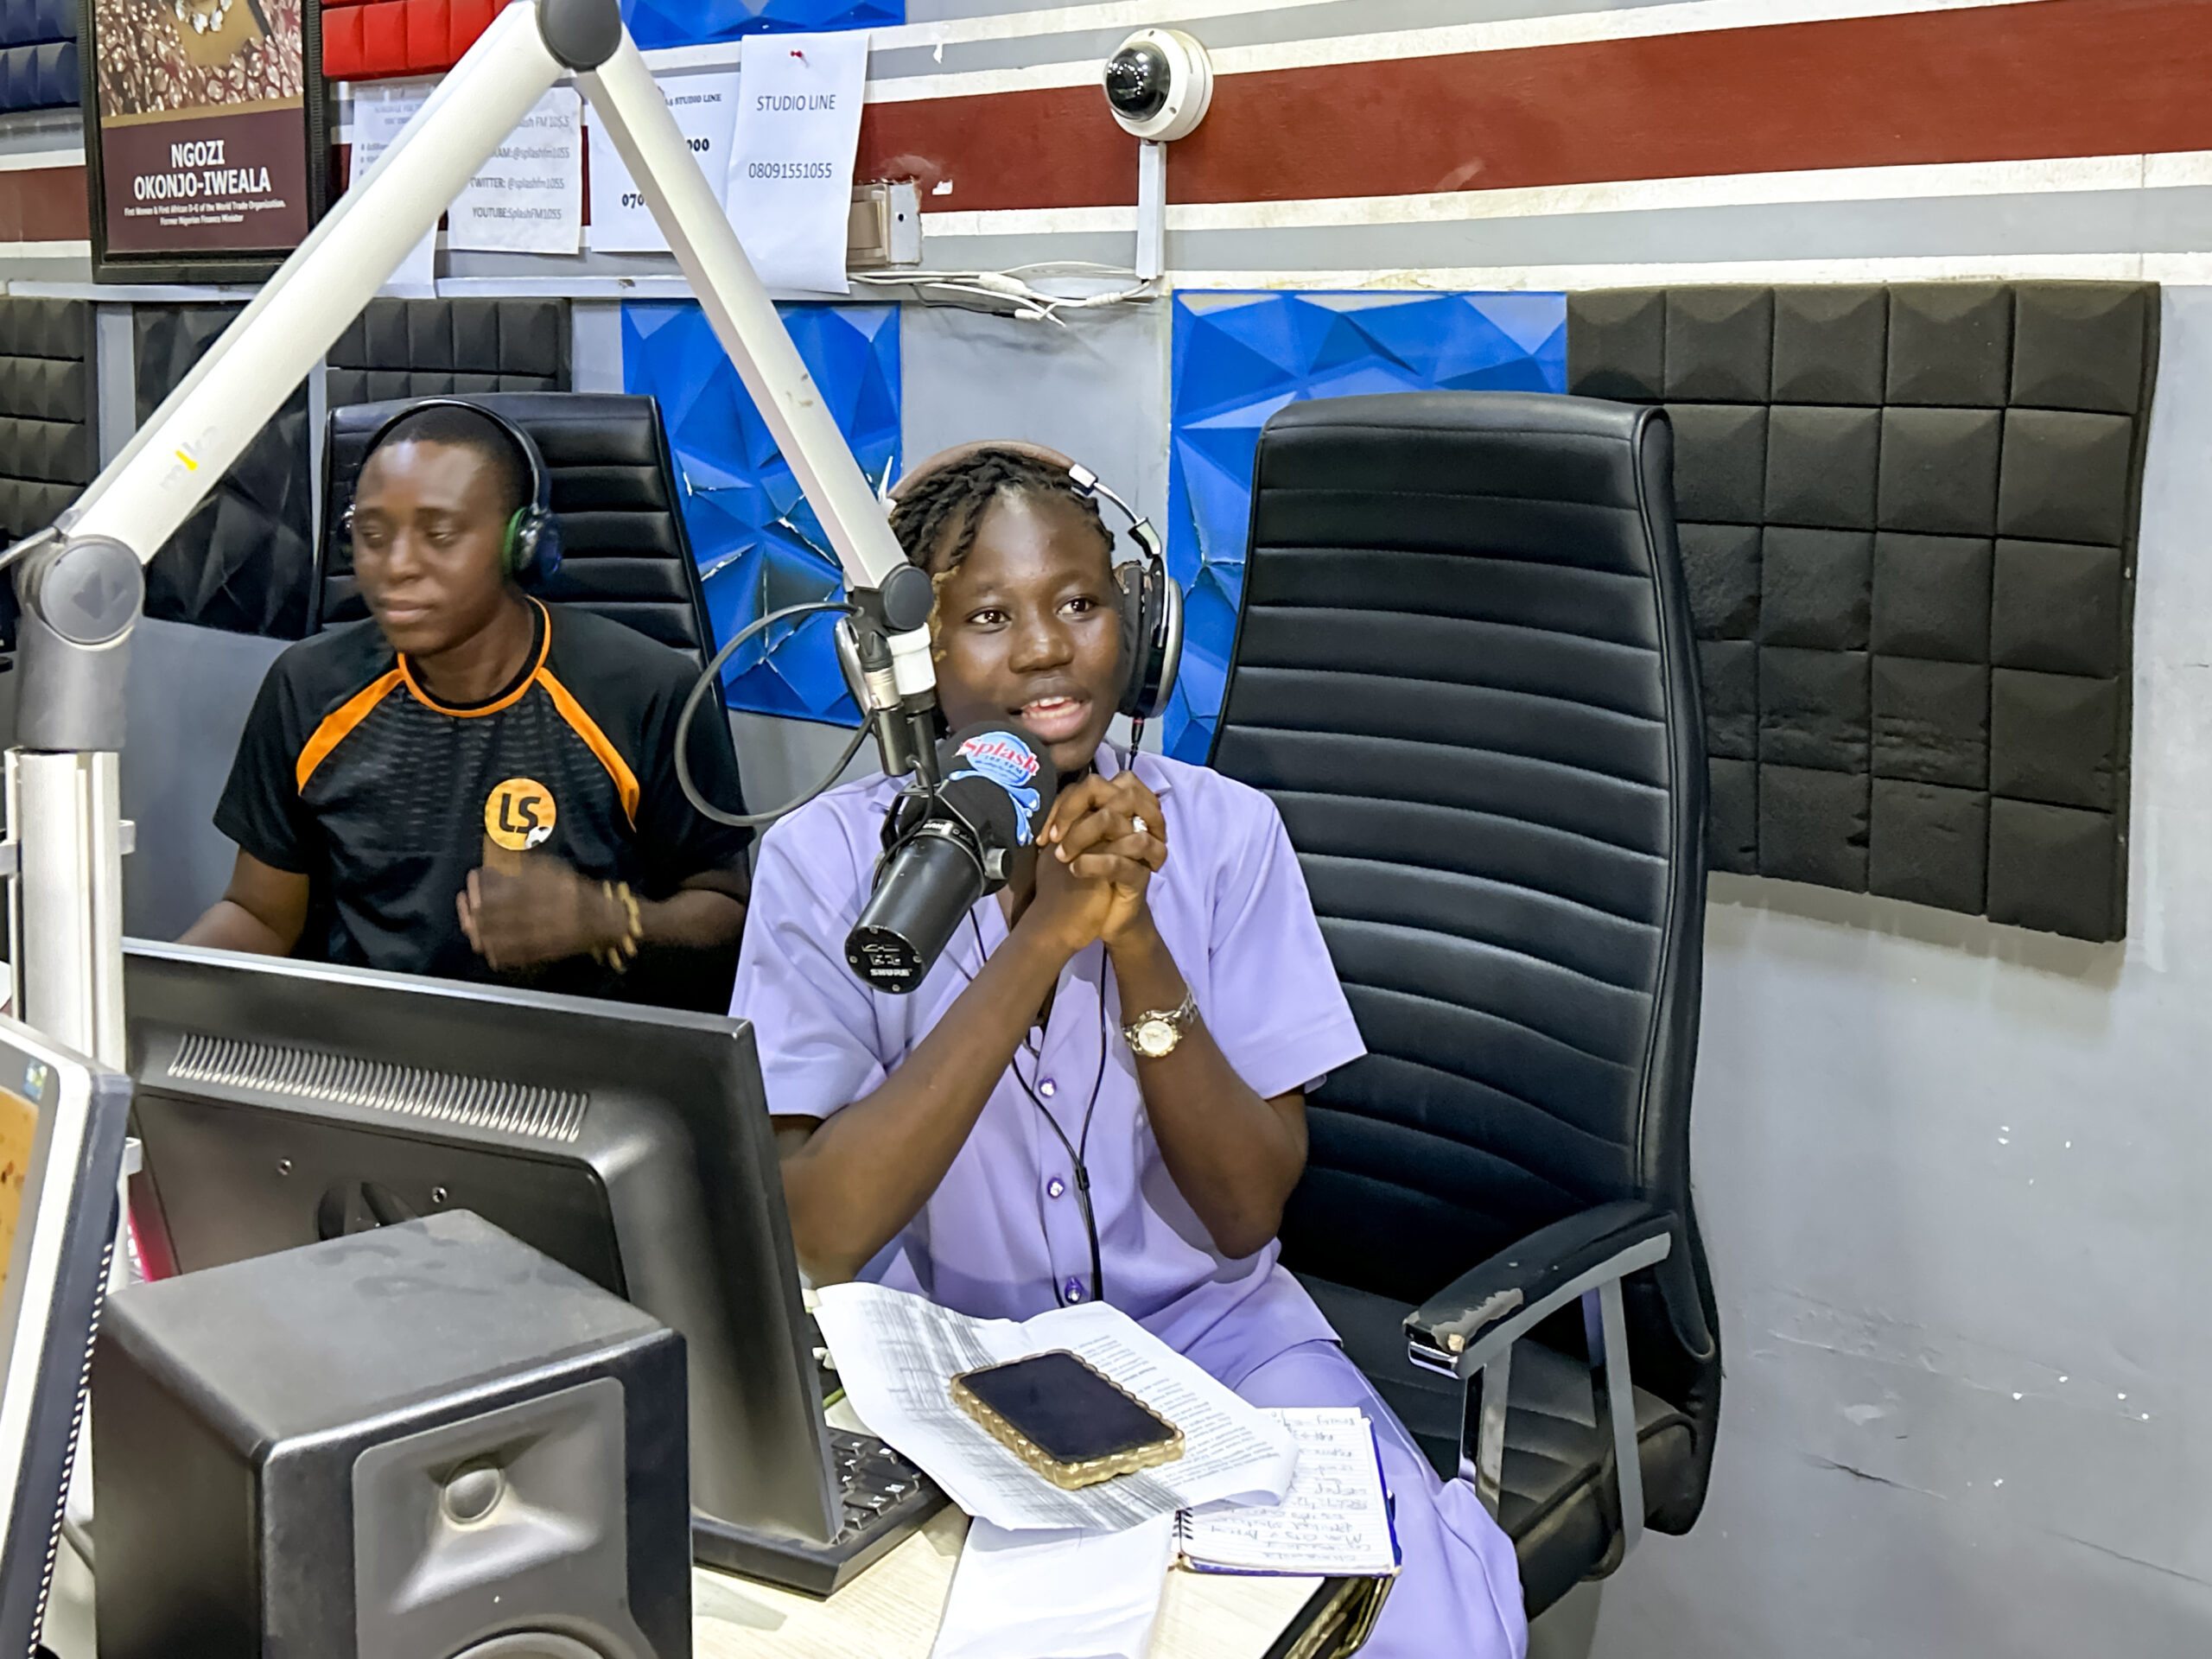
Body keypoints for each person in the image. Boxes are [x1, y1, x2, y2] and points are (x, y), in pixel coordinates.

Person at [732, 446, 1527, 1657]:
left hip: (1220, 1354)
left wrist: (1134, 932)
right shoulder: (821, 867)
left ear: (1139, 629)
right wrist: (1041, 943)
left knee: (1413, 1623)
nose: (1047, 649)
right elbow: (818, 1232)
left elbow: (1244, 1210)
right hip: (956, 1381)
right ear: (908, 658)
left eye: (1081, 604)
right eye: (988, 617)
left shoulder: (1226, 835)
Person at [184, 399, 752, 1012]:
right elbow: (260, 916)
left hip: (576, 1069)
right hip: (367, 1061)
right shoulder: (307, 686)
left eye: (440, 534)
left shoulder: (645, 688)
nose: (395, 567)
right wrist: (136, 1009)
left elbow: (731, 922)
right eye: (372, 536)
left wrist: (605, 919)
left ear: (523, 546)